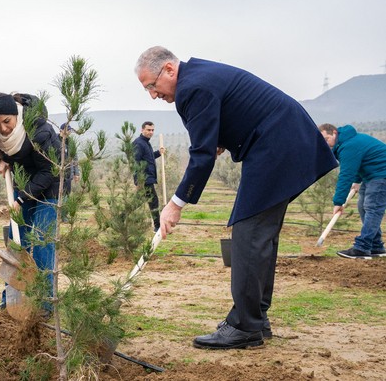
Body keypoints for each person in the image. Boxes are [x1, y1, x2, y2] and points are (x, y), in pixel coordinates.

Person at [135, 46, 336, 350]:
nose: (152, 95)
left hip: (276, 143)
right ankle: (255, 319)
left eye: (151, 85)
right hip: (284, 138)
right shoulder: (198, 76)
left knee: (248, 233)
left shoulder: (192, 87)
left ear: (169, 70)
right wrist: (220, 141)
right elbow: (223, 125)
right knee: (259, 235)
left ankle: (244, 326)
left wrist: (175, 204)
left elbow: (201, 156)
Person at [0, 92, 61, 312]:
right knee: (17, 243)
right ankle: (12, 299)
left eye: (7, 121)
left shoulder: (39, 129)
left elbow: (48, 170)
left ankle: (46, 304)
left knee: (43, 244)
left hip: (50, 187)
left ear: (16, 114)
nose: (4, 128)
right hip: (23, 185)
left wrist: (22, 197)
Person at [318, 124, 386, 259]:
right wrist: (357, 181)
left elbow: (346, 174)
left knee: (372, 209)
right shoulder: (345, 143)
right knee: (363, 207)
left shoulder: (348, 146)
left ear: (334, 133)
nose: (325, 143)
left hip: (381, 175)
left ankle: (362, 247)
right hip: (371, 175)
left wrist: (338, 201)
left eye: (326, 139)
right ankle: (376, 246)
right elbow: (360, 163)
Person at [133, 121, 166, 231]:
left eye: (152, 130)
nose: (150, 132)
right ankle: (158, 226)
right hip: (145, 179)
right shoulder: (139, 143)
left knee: (138, 201)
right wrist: (138, 181)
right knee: (154, 201)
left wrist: (158, 153)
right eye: (148, 130)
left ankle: (121, 218)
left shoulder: (146, 143)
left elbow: (148, 158)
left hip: (148, 178)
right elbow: (135, 163)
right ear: (142, 130)